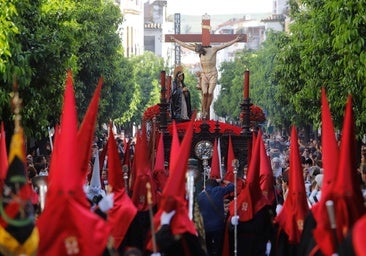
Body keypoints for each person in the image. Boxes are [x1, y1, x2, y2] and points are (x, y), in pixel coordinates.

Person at [170, 35, 242, 120]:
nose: (198, 54)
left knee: (210, 92)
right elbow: (186, 46)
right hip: (204, 74)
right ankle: (204, 110)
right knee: (204, 93)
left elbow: (225, 45)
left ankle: (206, 110)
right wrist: (175, 40)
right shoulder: (199, 51)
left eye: (199, 52)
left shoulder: (213, 49)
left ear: (202, 49)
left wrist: (236, 40)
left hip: (212, 74)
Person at [197, 178, 234, 256]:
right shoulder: (218, 190)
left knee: (208, 248)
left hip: (205, 227)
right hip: (218, 226)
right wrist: (222, 181)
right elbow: (232, 186)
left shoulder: (200, 196)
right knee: (218, 248)